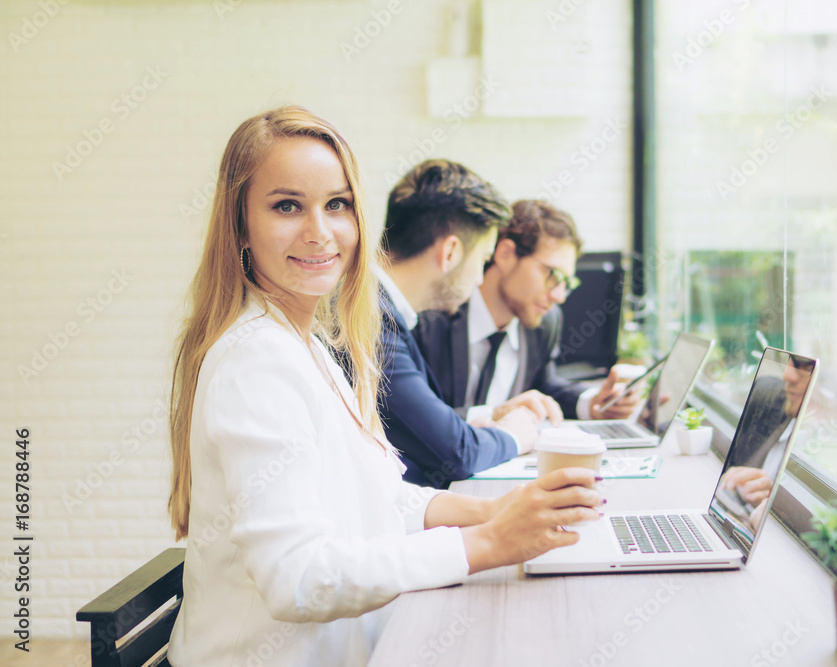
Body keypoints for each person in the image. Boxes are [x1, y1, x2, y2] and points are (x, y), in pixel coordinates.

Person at [165, 107, 601, 666]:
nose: (319, 231)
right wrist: (486, 544)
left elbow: (376, 498)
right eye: (286, 206)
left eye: (337, 204)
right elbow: (297, 578)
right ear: (240, 227)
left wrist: (495, 511)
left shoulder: (305, 345)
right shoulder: (257, 362)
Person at [375, 160, 552, 488]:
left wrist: (487, 416)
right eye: (483, 260)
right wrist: (512, 435)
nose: (481, 278)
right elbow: (456, 454)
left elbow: (403, 421)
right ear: (451, 252)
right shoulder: (373, 321)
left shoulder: (379, 307)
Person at [415, 199, 644, 426]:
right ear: (505, 254)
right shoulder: (432, 317)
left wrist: (593, 403)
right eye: (553, 275)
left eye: (567, 282)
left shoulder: (545, 322)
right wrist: (494, 414)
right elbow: (414, 418)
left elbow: (543, 387)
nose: (559, 296)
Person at [718, 355, 814, 532]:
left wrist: (780, 508)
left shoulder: (829, 452)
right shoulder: (768, 398)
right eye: (791, 361)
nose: (788, 375)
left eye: (806, 366)